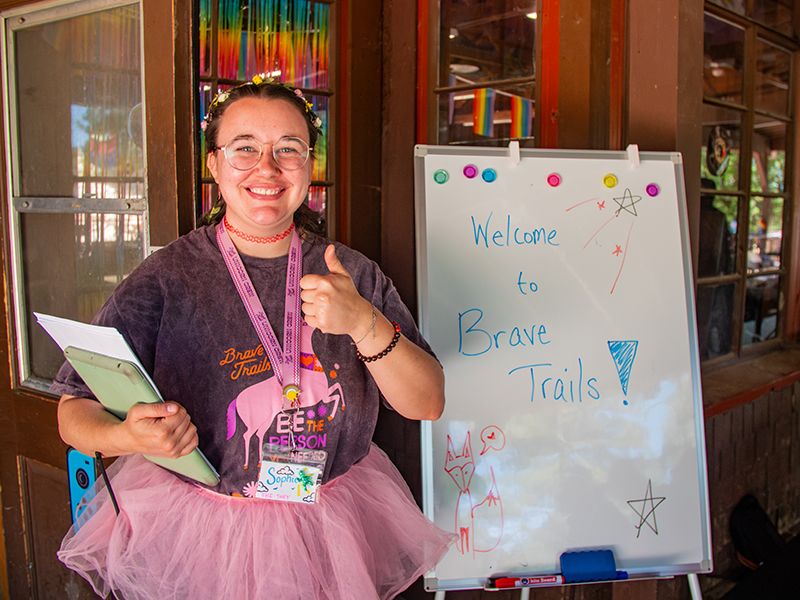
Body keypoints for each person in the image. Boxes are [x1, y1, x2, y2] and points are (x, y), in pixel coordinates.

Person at [53, 73, 454, 599]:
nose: (267, 168)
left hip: (330, 523)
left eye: (288, 149)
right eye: (244, 149)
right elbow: (72, 413)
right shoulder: (166, 278)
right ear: (214, 164)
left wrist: (361, 321)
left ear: (310, 166)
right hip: (205, 532)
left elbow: (427, 401)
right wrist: (126, 436)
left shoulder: (351, 272)